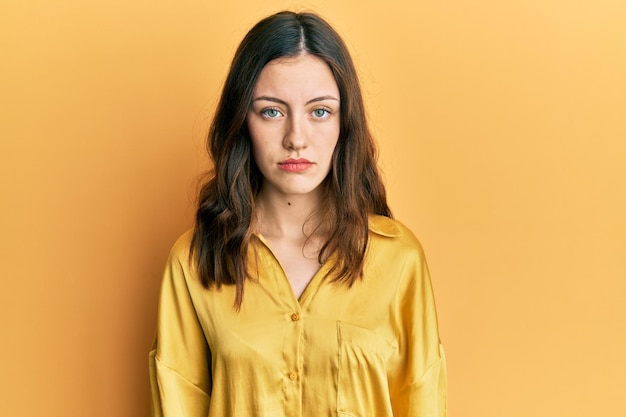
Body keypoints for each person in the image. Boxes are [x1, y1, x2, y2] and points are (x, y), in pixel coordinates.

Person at [149, 10, 446, 417]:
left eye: (319, 111)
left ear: (345, 122)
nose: (296, 139)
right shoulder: (196, 260)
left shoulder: (399, 260)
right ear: (243, 122)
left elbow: (422, 398)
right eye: (272, 111)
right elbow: (177, 402)